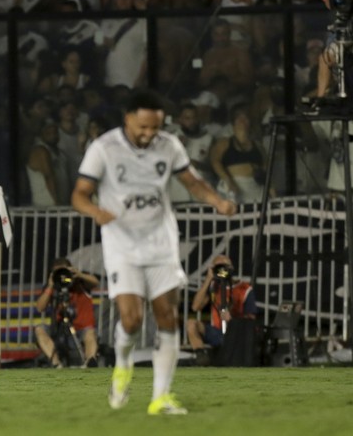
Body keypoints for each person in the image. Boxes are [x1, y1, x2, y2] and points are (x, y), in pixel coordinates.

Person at [71, 90, 237, 415]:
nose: (149, 134)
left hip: (161, 241)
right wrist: (94, 211)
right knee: (131, 320)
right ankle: (122, 365)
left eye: (155, 128)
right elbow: (79, 193)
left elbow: (191, 181)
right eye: (143, 127)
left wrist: (216, 201)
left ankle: (160, 397)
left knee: (168, 316)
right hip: (122, 242)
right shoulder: (103, 148)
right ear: (128, 118)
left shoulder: (169, 144)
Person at [186, 254, 257, 363]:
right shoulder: (214, 287)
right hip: (217, 332)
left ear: (232, 268)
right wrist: (209, 278)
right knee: (191, 324)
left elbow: (251, 317)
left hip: (236, 334)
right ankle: (201, 356)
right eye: (219, 267)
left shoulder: (245, 289)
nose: (222, 270)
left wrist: (233, 320)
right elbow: (195, 307)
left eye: (225, 267)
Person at [34, 258, 99, 368]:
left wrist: (79, 275)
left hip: (81, 331)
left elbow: (95, 282)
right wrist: (50, 285)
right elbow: (40, 308)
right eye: (58, 273)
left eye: (64, 272)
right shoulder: (53, 287)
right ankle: (56, 364)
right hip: (59, 333)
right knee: (39, 329)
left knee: (90, 332)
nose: (62, 277)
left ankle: (90, 362)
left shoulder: (81, 283)